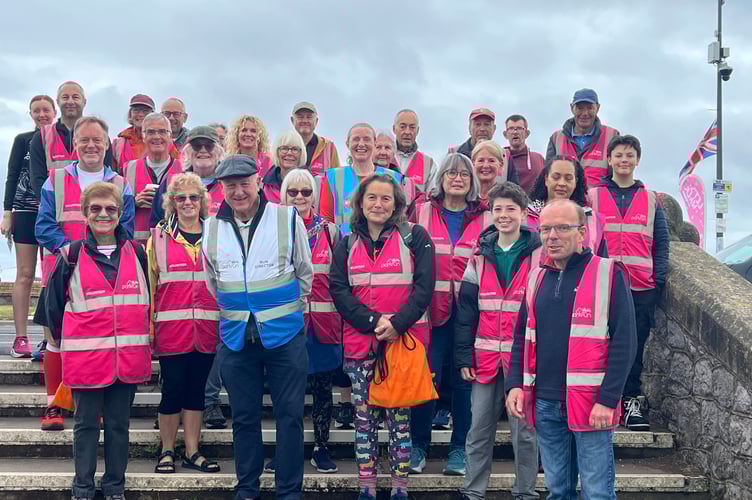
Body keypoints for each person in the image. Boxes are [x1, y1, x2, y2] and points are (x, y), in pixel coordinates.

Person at [505, 199, 637, 500]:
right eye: (546, 228)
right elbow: (520, 338)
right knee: (558, 491)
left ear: (582, 233)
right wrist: (515, 384)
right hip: (546, 404)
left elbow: (625, 342)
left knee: (597, 493)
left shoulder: (608, 273)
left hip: (592, 404)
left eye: (562, 228)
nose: (552, 236)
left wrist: (608, 399)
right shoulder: (535, 277)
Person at [202, 154, 312, 500]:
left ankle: (289, 491)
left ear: (259, 182)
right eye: (230, 185)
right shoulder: (211, 228)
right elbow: (213, 282)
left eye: (244, 184)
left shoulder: (287, 218)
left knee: (290, 417)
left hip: (284, 336)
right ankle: (247, 488)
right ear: (221, 188)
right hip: (236, 338)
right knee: (244, 419)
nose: (238, 192)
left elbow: (304, 273)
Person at [329, 173, 435, 500]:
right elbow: (339, 289)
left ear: (396, 203)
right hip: (361, 346)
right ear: (360, 203)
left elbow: (424, 287)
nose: (378, 204)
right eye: (372, 197)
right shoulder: (346, 242)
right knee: (364, 422)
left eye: (385, 198)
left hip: (401, 346)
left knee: (400, 423)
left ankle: (400, 489)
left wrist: (398, 324)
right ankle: (367, 488)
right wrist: (374, 321)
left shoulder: (415, 236)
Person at [43, 181, 150, 500]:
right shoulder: (70, 256)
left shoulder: (138, 254)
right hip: (86, 362)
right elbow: (52, 312)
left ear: (120, 213)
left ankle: (115, 486)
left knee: (119, 427)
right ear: (84, 214)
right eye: (96, 209)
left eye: (111, 209)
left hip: (125, 363)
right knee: (86, 426)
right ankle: (83, 488)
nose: (104, 214)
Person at [34, 116, 135, 432]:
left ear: (107, 145)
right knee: (56, 337)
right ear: (74, 144)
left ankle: (96, 404)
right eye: (84, 140)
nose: (91, 145)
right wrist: (73, 251)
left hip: (106, 275)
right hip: (64, 271)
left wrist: (97, 255)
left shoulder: (120, 183)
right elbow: (43, 226)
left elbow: (127, 229)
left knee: (100, 339)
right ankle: (54, 404)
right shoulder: (55, 179)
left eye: (97, 140)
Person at [455, 182, 541, 500]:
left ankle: (526, 492)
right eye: (498, 209)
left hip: (526, 361)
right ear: (490, 214)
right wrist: (463, 357)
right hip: (485, 359)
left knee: (525, 432)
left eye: (510, 209)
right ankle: (473, 491)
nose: (503, 215)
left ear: (523, 213)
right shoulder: (478, 259)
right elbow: (465, 313)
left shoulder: (539, 256)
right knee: (478, 429)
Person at [408, 153, 489, 476]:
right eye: (451, 173)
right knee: (426, 378)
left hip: (471, 314)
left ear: (472, 183)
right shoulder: (422, 212)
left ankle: (459, 450)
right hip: (428, 312)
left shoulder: (486, 217)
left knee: (464, 382)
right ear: (440, 178)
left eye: (464, 175)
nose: (457, 179)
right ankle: (417, 446)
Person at [263, 168, 342, 474]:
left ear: (315, 196)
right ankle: (286, 450)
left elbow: (340, 279)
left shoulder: (331, 232)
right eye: (292, 192)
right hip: (286, 324)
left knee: (322, 391)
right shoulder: (272, 230)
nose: (299, 197)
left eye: (306, 192)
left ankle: (322, 447)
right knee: (286, 393)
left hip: (322, 325)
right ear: (283, 195)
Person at [589, 135, 670, 432]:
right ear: (609, 160)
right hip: (601, 284)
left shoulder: (651, 199)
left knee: (634, 347)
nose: (624, 160)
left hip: (640, 287)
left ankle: (631, 402)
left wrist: (657, 280)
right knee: (598, 342)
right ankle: (598, 399)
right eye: (619, 155)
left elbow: (662, 243)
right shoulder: (593, 195)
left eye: (629, 155)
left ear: (637, 160)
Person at [149, 173, 220, 475]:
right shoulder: (158, 237)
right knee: (173, 391)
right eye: (182, 198)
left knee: (196, 391)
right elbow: (151, 286)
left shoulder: (217, 235)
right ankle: (167, 450)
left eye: (194, 197)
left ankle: (192, 450)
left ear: (203, 201)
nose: (188, 202)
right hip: (172, 331)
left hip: (206, 329)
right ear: (172, 202)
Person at [1, 94, 56, 358]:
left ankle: (49, 338)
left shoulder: (61, 139)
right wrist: (7, 213)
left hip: (53, 211)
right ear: (31, 114)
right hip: (25, 211)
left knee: (50, 275)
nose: (42, 114)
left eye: (46, 110)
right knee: (24, 273)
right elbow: (12, 176)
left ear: (54, 111)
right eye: (37, 111)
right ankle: (20, 337)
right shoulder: (22, 140)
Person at [30, 81, 114, 198]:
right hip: (55, 209)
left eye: (75, 97)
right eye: (65, 97)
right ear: (57, 101)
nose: (70, 101)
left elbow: (107, 175)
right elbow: (37, 178)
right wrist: (52, 204)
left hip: (93, 209)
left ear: (84, 101)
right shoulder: (41, 137)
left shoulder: (100, 136)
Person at [319, 122, 404, 235]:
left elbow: (399, 220)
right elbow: (326, 222)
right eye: (356, 139)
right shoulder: (333, 177)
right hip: (343, 249)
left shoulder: (394, 178)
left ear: (374, 143)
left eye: (366, 139)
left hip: (383, 249)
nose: (361, 144)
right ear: (347, 144)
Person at [122, 112, 183, 243]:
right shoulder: (128, 169)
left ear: (170, 135)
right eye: (150, 132)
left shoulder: (183, 169)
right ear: (143, 136)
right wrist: (134, 202)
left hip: (173, 245)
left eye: (162, 132)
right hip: (137, 246)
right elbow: (117, 208)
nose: (157, 137)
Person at [528, 155, 608, 257]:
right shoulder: (527, 216)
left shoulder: (592, 220)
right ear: (546, 179)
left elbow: (601, 261)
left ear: (576, 182)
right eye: (556, 177)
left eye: (568, 178)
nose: (562, 183)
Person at [150, 125, 224, 227]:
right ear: (188, 151)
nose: (203, 150)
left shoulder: (228, 184)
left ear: (218, 151)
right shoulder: (171, 184)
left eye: (209, 145)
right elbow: (156, 224)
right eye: (196, 145)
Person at [545, 88, 619, 188]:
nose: (585, 113)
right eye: (580, 108)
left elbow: (618, 176)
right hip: (564, 201)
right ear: (572, 108)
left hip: (598, 201)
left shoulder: (612, 136)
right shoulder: (556, 138)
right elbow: (547, 175)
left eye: (590, 108)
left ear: (598, 108)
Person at [392, 109, 437, 193]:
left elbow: (432, 198)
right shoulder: (383, 157)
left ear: (417, 131)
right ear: (394, 129)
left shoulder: (428, 164)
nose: (407, 132)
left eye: (412, 127)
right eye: (402, 127)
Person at [290, 101, 340, 176]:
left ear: (316, 121)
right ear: (292, 120)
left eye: (309, 117)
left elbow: (338, 178)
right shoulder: (284, 147)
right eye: (300, 117)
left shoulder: (329, 147)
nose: (305, 121)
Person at [111, 94, 155, 173]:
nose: (140, 114)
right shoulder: (117, 144)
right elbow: (111, 173)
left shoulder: (162, 142)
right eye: (136, 110)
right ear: (130, 114)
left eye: (145, 111)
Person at [502, 114, 545, 195]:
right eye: (511, 129)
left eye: (519, 128)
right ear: (505, 134)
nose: (515, 132)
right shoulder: (500, 158)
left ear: (527, 133)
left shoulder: (538, 158)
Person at [262, 130, 307, 203]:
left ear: (301, 154)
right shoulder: (264, 186)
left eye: (295, 149)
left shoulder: (311, 182)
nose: (289, 153)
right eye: (284, 148)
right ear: (277, 152)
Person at [471, 140, 520, 207]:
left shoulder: (509, 196)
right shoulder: (465, 196)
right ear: (473, 164)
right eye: (481, 160)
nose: (485, 165)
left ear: (501, 165)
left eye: (491, 161)